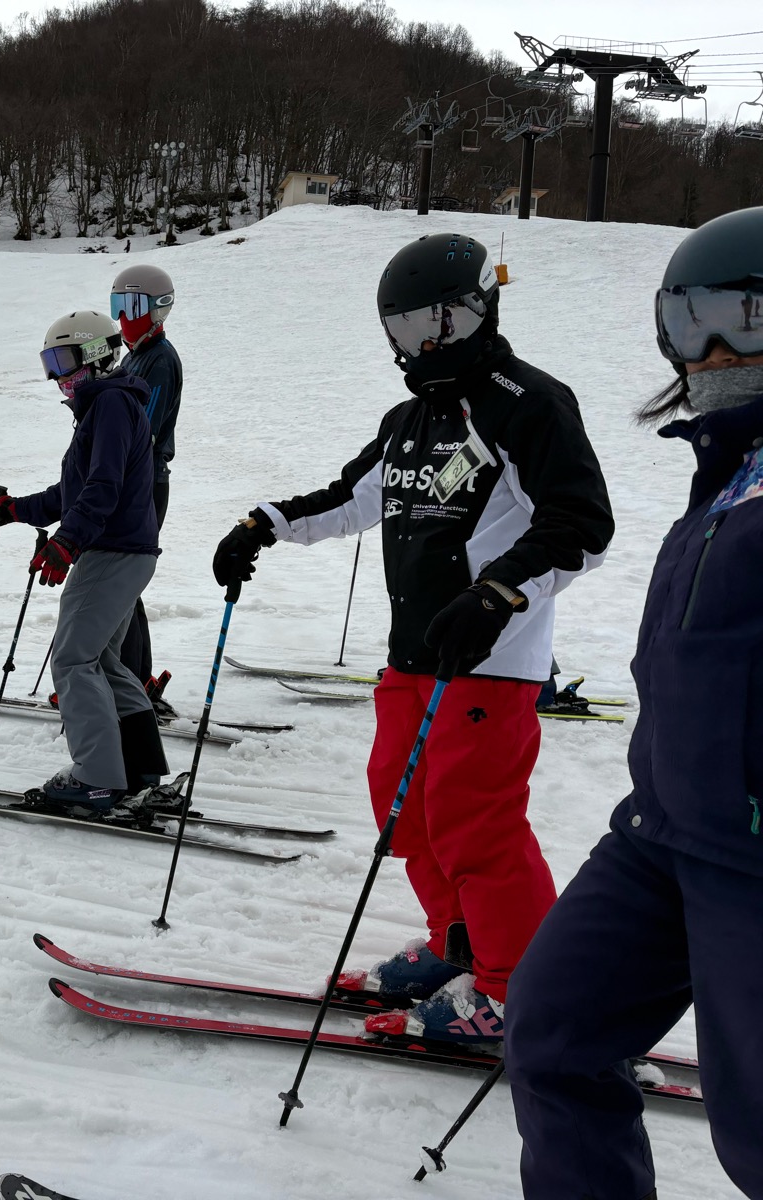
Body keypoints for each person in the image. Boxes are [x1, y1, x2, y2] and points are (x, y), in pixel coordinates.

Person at [212, 232, 614, 1042]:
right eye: (401, 331)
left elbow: (582, 524)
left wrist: (500, 591)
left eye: (435, 325)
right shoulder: (410, 418)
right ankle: (456, 945)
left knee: (478, 821)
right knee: (408, 810)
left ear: (476, 312)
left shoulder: (527, 401)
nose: (419, 346)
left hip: (489, 660)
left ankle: (513, 988)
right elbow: (351, 496)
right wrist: (267, 523)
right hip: (413, 655)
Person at [505, 208, 763, 1200]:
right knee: (553, 1034)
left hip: (748, 855)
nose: (707, 349)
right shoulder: (726, 467)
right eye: (685, 318)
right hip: (657, 838)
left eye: (742, 319)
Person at [0, 311, 167, 812]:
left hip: (112, 552)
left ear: (96, 355)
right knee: (102, 661)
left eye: (63, 360)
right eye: (49, 363)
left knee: (72, 660)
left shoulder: (108, 403)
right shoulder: (106, 407)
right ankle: (138, 768)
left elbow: (102, 489)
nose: (56, 376)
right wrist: (17, 510)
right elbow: (74, 492)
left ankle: (97, 779)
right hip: (126, 552)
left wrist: (66, 544)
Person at [110, 263, 184, 713]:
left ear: (156, 309)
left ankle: (132, 682)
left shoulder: (160, 360)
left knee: (124, 581)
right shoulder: (132, 355)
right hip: (129, 481)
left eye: (132, 306)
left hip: (144, 484)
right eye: (118, 305)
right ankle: (131, 677)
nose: (123, 317)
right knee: (123, 584)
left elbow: (143, 430)